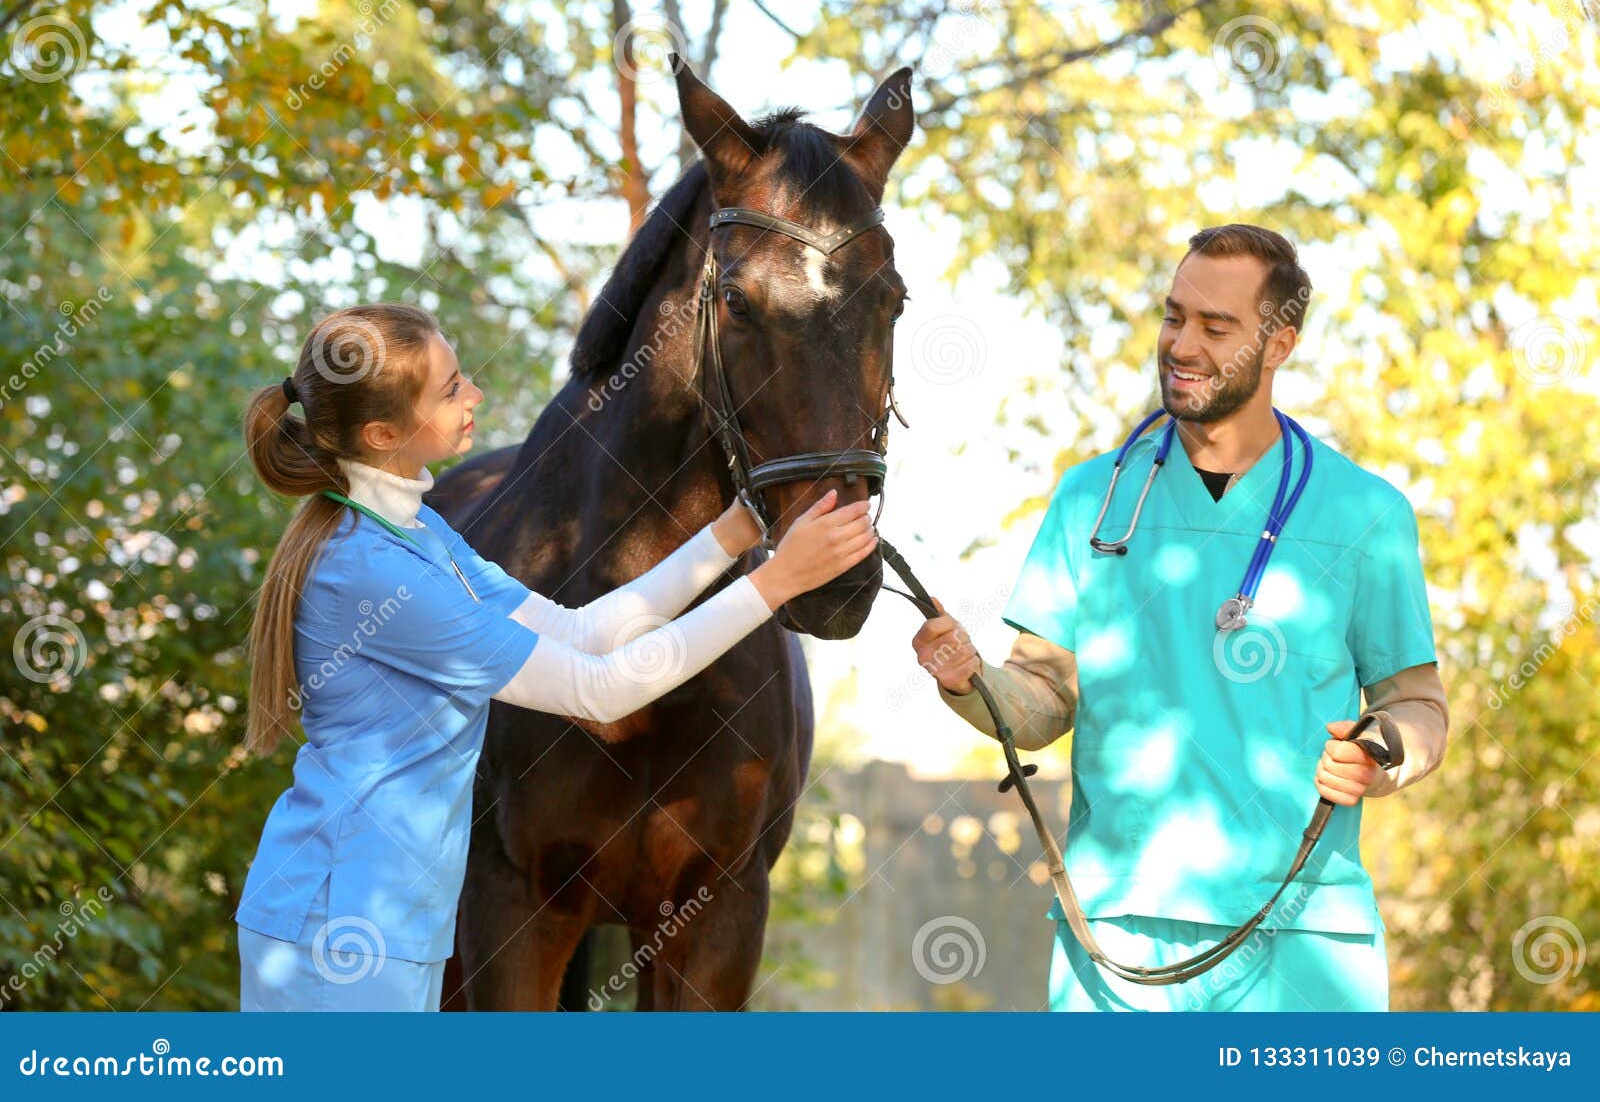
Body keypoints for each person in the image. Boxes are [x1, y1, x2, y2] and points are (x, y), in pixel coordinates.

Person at [235, 302, 877, 1011]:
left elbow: (583, 630)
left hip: (395, 917)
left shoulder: (423, 535)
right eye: (450, 389)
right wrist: (774, 582)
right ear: (385, 433)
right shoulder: (375, 569)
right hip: (339, 921)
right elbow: (597, 689)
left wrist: (730, 536)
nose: (474, 394)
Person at [912, 225, 1449, 1012]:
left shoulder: (1366, 514)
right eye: (1174, 317)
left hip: (1303, 937)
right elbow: (1043, 698)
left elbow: (1419, 705)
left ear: (1279, 344)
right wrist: (970, 680)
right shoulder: (1090, 500)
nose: (1182, 344)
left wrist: (1382, 749)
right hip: (1117, 936)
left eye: (1216, 326)